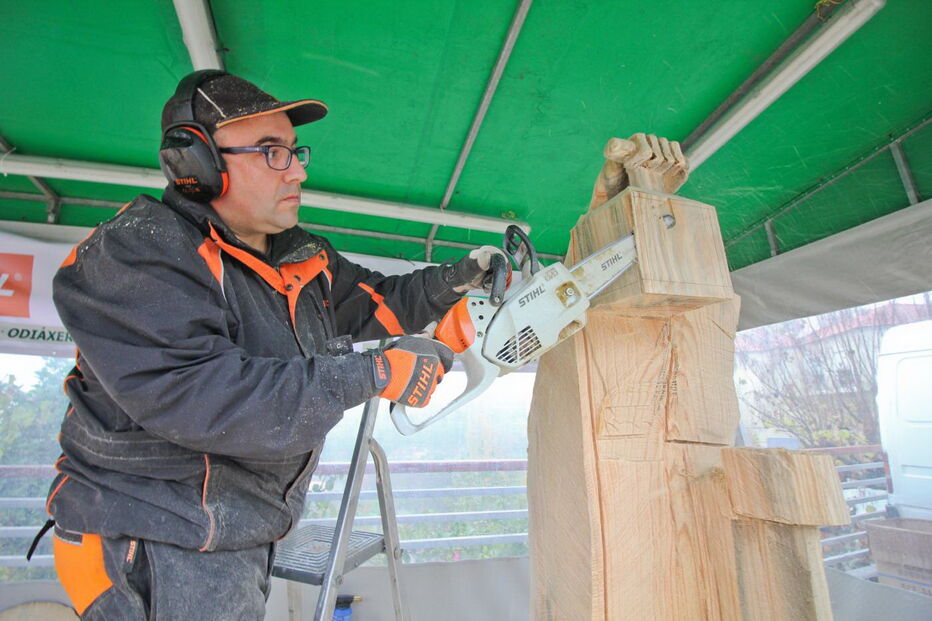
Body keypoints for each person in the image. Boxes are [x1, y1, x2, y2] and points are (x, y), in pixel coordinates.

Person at [38, 70, 509, 620]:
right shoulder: (136, 254)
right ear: (196, 162)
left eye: (294, 150)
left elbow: (373, 305)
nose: (300, 169)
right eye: (272, 152)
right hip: (150, 537)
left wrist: (456, 279)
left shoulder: (297, 254)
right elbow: (205, 396)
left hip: (233, 531)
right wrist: (374, 374)